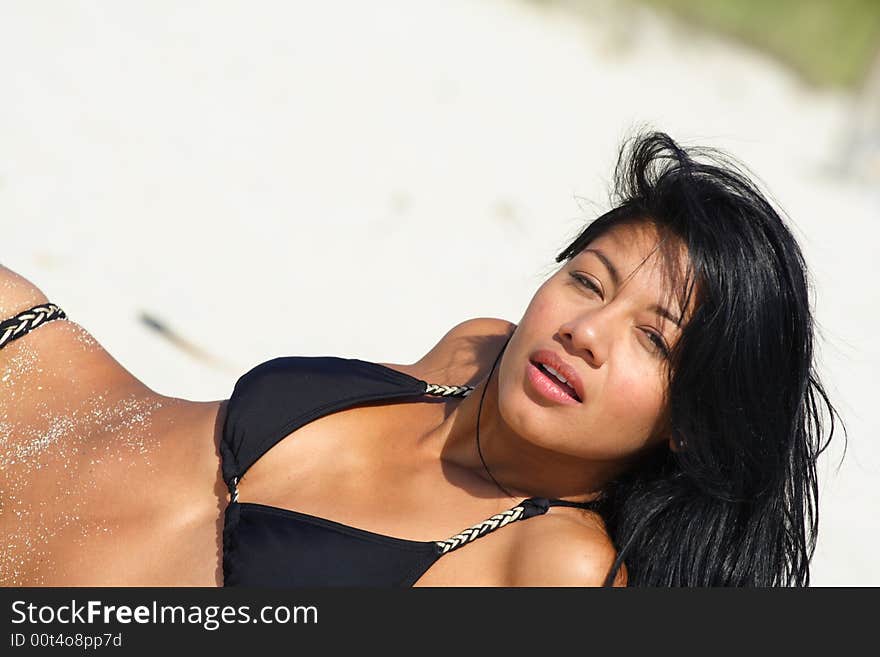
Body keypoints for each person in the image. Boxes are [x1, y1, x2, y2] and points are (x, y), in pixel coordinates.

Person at [0, 131, 840, 587]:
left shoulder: (560, 569)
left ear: (692, 424)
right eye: (588, 279)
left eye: (653, 337)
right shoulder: (472, 351)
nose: (587, 328)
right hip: (45, 410)